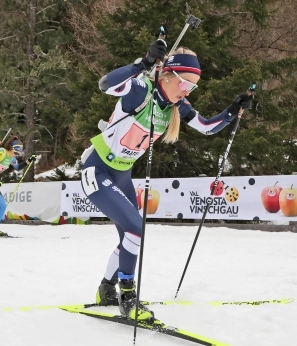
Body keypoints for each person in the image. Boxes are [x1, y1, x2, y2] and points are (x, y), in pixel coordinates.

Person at [80, 40, 253, 320]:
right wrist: (143, 64)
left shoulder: (177, 106)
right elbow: (106, 85)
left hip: (122, 172)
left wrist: (233, 108)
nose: (186, 91)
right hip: (97, 169)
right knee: (137, 229)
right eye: (185, 84)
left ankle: (107, 288)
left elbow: (207, 127)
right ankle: (128, 294)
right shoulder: (140, 91)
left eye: (192, 87)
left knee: (129, 234)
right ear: (168, 75)